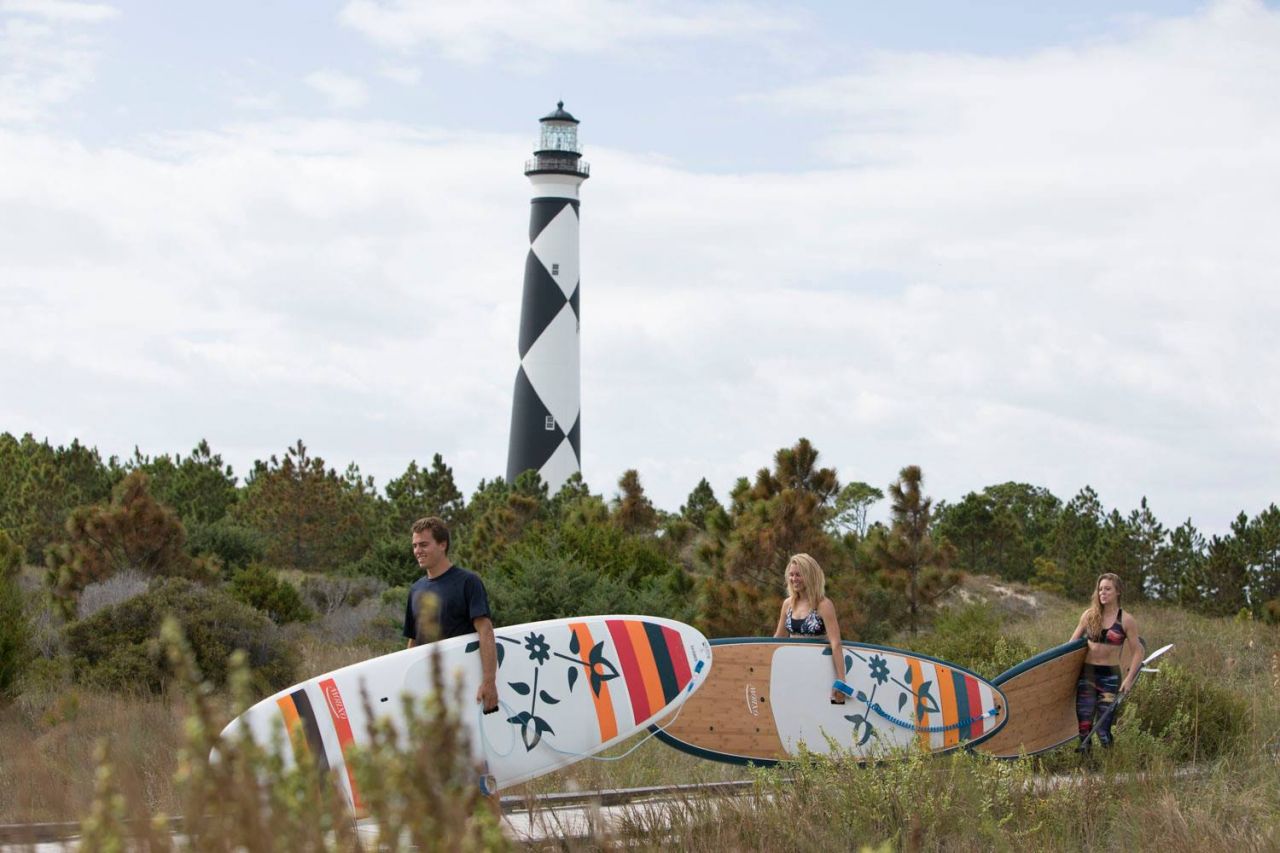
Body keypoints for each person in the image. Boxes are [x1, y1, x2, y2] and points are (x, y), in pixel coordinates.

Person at [403, 516, 498, 714]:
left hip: (460, 684)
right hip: (427, 686)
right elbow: (413, 640)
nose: (417, 551)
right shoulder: (416, 589)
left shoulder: (467, 582)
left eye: (423, 544)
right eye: (414, 546)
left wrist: (489, 681)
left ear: (442, 544)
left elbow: (485, 630)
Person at [1069, 572, 1141, 748]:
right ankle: (1087, 768)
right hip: (1087, 676)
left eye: (1108, 589)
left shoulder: (1126, 620)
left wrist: (1129, 679)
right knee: (1084, 727)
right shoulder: (1089, 616)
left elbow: (1138, 651)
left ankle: (1111, 767)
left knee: (1103, 729)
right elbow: (1070, 645)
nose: (1103, 593)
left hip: (1110, 679)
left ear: (1118, 592)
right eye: (1100, 589)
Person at [773, 553, 847, 704]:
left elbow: (836, 644)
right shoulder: (788, 604)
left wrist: (841, 681)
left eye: (798, 575)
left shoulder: (823, 605)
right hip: (793, 668)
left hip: (818, 669)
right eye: (791, 575)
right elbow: (778, 638)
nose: (794, 579)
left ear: (810, 575)